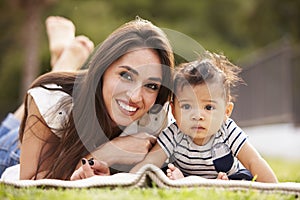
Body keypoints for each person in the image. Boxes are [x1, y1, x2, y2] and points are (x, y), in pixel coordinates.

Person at [15, 16, 174, 180]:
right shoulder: (52, 99)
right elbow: (29, 184)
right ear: (103, 68)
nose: (135, 96)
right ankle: (65, 61)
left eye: (151, 86)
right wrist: (107, 153)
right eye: (126, 76)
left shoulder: (159, 119)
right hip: (13, 150)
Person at [130, 51, 278, 183]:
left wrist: (276, 188)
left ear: (226, 112)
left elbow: (253, 161)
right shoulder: (174, 133)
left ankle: (223, 184)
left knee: (245, 177)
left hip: (230, 176)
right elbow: (150, 161)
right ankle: (184, 180)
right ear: (174, 111)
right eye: (187, 106)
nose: (198, 116)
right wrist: (128, 181)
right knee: (162, 172)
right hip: (187, 175)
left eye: (208, 107)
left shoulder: (227, 131)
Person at [0, 16, 95, 176]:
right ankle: (62, 68)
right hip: (23, 148)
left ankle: (61, 68)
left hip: (20, 141)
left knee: (10, 130)